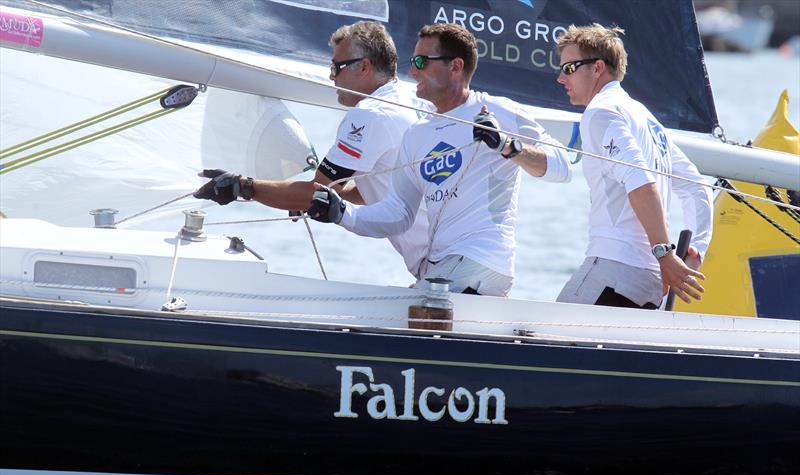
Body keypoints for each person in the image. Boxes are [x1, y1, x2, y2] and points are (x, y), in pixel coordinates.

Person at [308, 23, 571, 297]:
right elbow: (398, 214)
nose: (412, 71)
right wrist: (342, 213)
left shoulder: (498, 110)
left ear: (455, 66)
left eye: (422, 62)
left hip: (480, 258)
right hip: (445, 265)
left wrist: (508, 146)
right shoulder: (417, 134)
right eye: (413, 61)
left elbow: (562, 167)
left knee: (403, 327)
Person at [193, 21, 431, 279]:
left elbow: (313, 193)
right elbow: (367, 192)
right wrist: (323, 194)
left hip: (444, 262)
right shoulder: (409, 100)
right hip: (454, 257)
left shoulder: (371, 114)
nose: (331, 76)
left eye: (336, 67)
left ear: (364, 66)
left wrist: (240, 185)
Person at [554, 24, 713, 308]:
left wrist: (667, 255)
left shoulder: (601, 112)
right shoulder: (646, 117)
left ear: (597, 67)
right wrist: (694, 251)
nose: (560, 78)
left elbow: (641, 183)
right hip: (648, 283)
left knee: (543, 344)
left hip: (615, 269)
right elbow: (698, 188)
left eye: (568, 69)